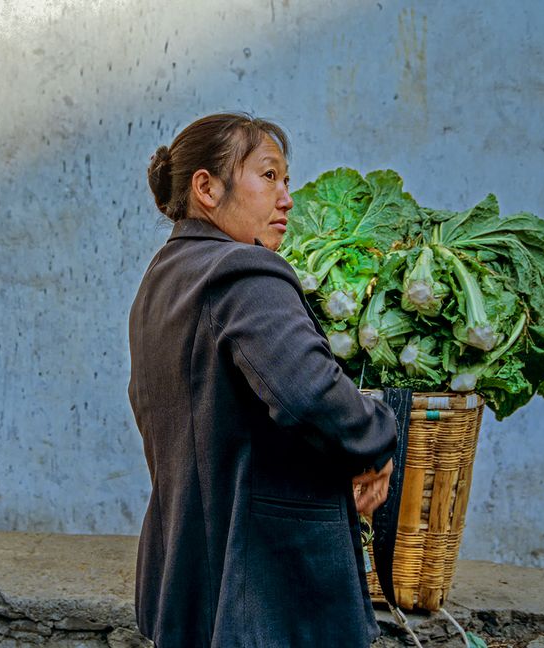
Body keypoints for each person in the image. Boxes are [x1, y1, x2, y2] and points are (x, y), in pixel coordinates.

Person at [127, 114, 398, 647]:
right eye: (268, 176)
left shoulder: (161, 281)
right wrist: (379, 437)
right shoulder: (246, 273)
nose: (286, 198)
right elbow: (312, 395)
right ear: (206, 187)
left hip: (189, 586)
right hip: (266, 593)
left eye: (287, 180)